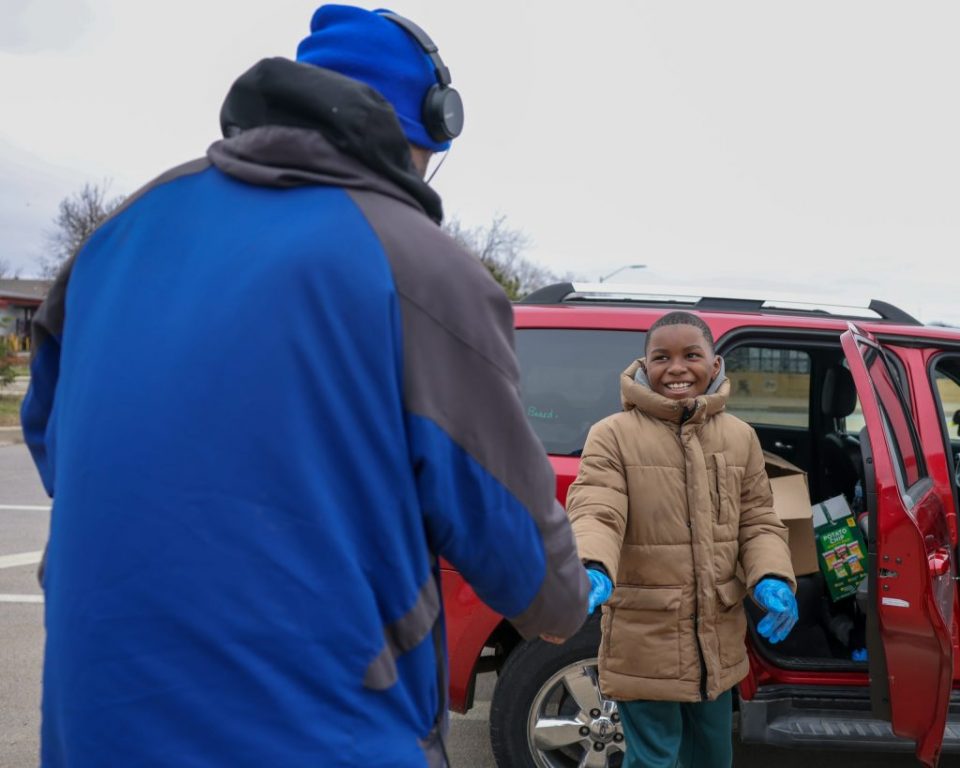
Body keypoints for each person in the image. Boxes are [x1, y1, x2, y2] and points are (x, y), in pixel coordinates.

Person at [21, 6, 589, 766]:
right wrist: (565, 600)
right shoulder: (419, 267)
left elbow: (52, 442)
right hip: (318, 733)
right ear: (423, 129)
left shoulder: (115, 238)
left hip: (96, 725)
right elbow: (515, 543)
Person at [565, 311, 798, 768]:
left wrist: (772, 576)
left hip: (717, 641)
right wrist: (590, 563)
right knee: (655, 760)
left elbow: (758, 520)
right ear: (644, 366)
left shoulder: (740, 438)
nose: (676, 368)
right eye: (661, 357)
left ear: (714, 365)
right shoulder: (613, 435)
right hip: (643, 637)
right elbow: (596, 508)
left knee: (712, 756)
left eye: (691, 355)